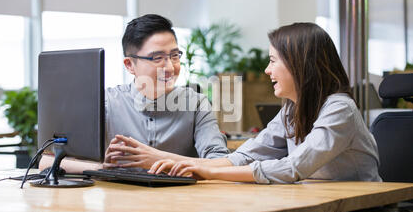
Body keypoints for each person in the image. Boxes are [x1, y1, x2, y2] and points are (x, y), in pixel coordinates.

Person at [114, 22, 381, 184]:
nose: (267, 70)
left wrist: (207, 172)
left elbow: (292, 167)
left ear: (301, 66)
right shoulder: (292, 110)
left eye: (274, 61)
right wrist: (191, 166)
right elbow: (245, 156)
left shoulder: (339, 108)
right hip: (314, 208)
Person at [39, 14, 229, 173]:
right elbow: (46, 162)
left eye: (174, 55)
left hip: (180, 205)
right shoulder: (105, 104)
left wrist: (158, 159)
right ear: (130, 65)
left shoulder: (196, 104)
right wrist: (100, 167)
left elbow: (222, 163)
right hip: (121, 208)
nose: (170, 67)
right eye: (157, 58)